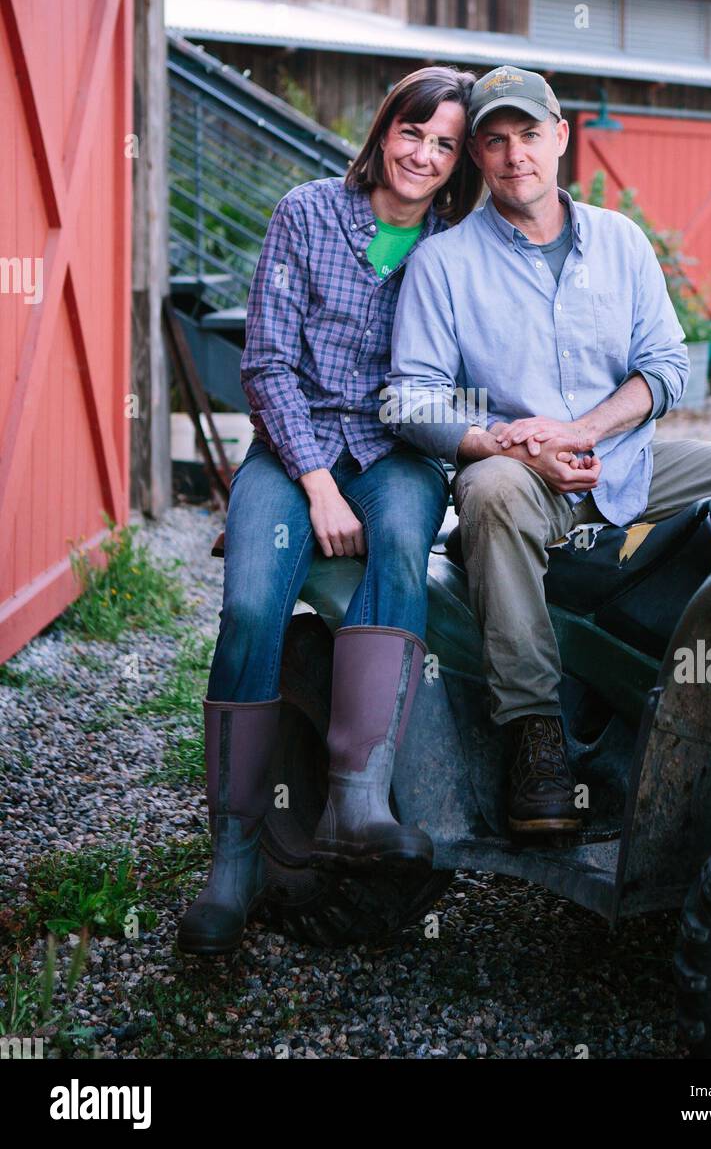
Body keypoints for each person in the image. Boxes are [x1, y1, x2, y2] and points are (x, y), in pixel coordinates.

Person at [385, 64, 711, 842]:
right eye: (493, 142)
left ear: (562, 136)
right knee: (492, 492)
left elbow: (668, 367)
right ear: (476, 157)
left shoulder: (622, 242)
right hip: (521, 474)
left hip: (627, 461)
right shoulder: (444, 264)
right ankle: (536, 736)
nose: (513, 156)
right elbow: (409, 397)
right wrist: (516, 444)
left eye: (529, 135)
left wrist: (588, 430)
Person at [177, 66, 481, 956]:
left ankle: (358, 796)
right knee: (248, 606)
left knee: (397, 542)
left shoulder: (454, 249)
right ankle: (231, 860)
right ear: (386, 129)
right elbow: (265, 367)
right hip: (293, 444)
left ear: (458, 161)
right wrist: (312, 480)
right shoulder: (307, 213)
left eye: (444, 143)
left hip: (394, 453)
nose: (423, 154)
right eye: (412, 132)